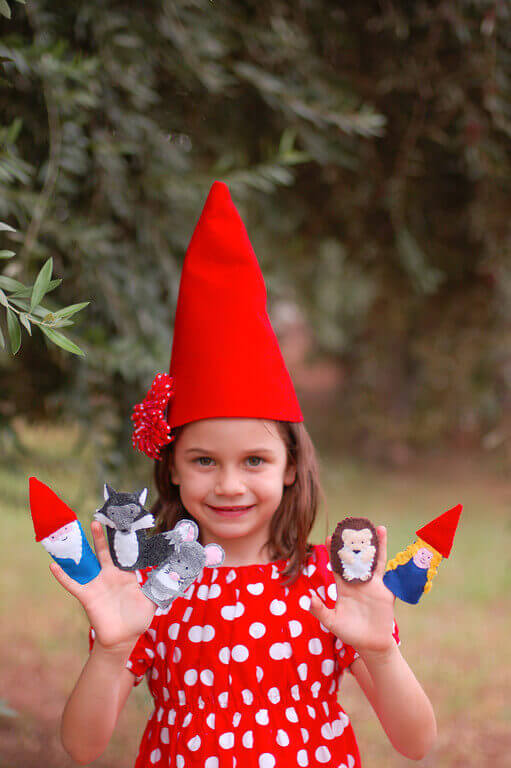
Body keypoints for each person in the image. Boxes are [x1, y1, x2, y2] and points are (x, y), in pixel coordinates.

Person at [50, 182, 437, 767]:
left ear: (289, 468)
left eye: (254, 460)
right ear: (173, 470)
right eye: (204, 460)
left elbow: (416, 743)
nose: (229, 484)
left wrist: (381, 653)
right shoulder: (152, 589)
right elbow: (83, 747)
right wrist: (111, 649)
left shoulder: (327, 586)